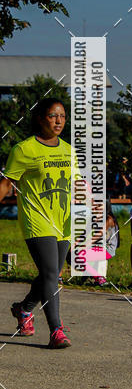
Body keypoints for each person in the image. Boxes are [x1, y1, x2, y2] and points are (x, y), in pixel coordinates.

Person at [0, 98, 72, 347]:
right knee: (52, 274)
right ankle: (57, 331)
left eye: (62, 116)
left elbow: (77, 184)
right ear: (41, 118)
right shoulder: (24, 149)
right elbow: (6, 184)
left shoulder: (68, 150)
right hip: (36, 219)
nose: (58, 121)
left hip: (63, 221)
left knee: (49, 275)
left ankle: (23, 309)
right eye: (53, 116)